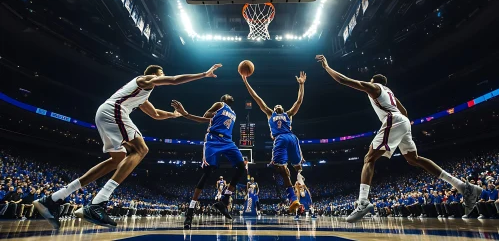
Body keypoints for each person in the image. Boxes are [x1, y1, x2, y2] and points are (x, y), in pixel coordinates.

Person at [33, 64, 222, 229]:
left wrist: (175, 115)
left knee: (117, 160)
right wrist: (203, 74)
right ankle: (97, 204)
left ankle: (53, 199)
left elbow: (155, 114)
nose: (161, 76)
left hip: (106, 113)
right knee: (142, 149)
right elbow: (173, 80)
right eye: (160, 73)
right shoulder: (144, 79)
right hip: (113, 111)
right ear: (154, 74)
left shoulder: (141, 95)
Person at [315, 54, 483, 223]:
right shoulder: (391, 94)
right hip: (403, 121)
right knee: (413, 159)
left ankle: (363, 202)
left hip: (393, 120)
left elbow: (344, 80)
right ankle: (463, 187)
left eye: (371, 80)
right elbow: (405, 112)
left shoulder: (375, 88)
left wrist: (327, 67)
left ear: (374, 81)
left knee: (369, 158)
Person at [171, 97, 246, 229]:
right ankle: (190, 211)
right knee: (208, 171)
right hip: (213, 138)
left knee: (241, 167)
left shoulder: (233, 113)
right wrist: (186, 114)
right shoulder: (219, 104)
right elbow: (204, 117)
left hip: (228, 141)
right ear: (223, 99)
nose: (229, 96)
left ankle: (224, 200)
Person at [241, 71, 306, 214]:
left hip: (291, 137)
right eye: (275, 105)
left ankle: (300, 179)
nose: (277, 106)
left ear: (282, 109)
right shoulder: (270, 113)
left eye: (279, 105)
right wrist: (246, 82)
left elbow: (299, 101)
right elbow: (256, 98)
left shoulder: (288, 114)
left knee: (298, 166)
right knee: (280, 168)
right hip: (280, 139)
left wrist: (301, 85)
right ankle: (292, 198)